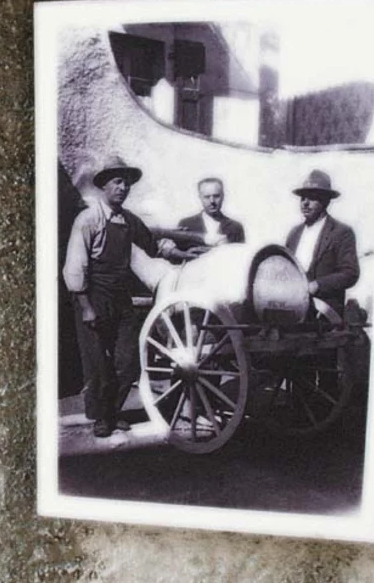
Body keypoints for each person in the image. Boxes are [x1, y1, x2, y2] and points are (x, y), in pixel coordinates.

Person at [63, 156, 160, 438]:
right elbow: (75, 267)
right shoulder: (88, 219)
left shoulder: (129, 221)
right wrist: (86, 307)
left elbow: (152, 247)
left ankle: (115, 412)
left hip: (120, 297)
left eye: (126, 182)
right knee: (98, 363)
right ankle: (100, 417)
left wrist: (182, 253)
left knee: (127, 359)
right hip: (92, 295)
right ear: (104, 186)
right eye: (117, 181)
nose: (123, 187)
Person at [285, 169, 360, 316]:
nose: (305, 203)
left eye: (312, 198)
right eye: (302, 198)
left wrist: (318, 285)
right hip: (293, 312)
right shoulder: (294, 233)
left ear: (326, 201)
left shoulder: (341, 232)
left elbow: (350, 273)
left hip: (324, 317)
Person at [170, 176, 245, 259]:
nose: (212, 201)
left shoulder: (235, 227)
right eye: (207, 197)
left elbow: (240, 259)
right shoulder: (186, 224)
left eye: (216, 196)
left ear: (223, 196)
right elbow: (176, 260)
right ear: (200, 197)